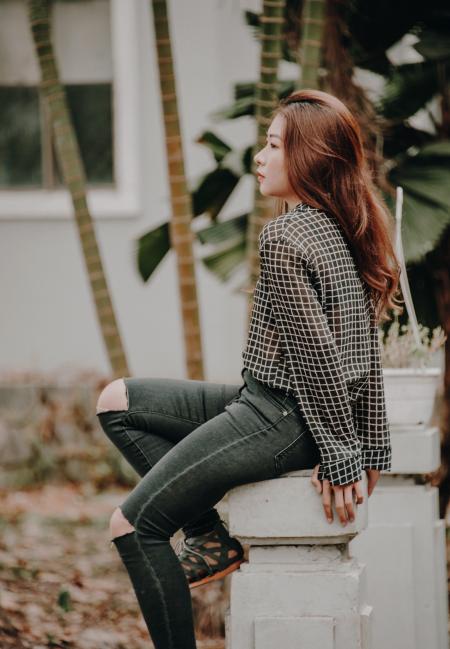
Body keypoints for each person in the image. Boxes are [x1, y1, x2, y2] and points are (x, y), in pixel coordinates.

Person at [96, 88, 401, 649]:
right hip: (262, 399)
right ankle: (209, 538)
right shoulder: (339, 226)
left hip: (281, 416)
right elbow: (364, 353)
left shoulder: (286, 236)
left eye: (273, 144)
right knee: (117, 401)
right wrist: (374, 446)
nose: (260, 157)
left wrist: (343, 456)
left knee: (135, 527)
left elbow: (318, 360)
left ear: (308, 159)